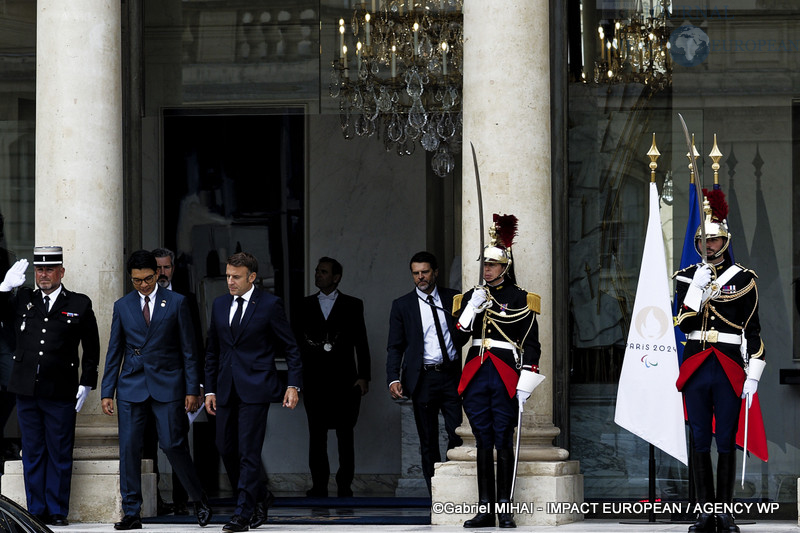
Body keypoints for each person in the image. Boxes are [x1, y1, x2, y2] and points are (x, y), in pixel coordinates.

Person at [100, 250, 212, 530]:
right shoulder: (123, 305)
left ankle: (199, 498)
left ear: (157, 273)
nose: (144, 285)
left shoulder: (176, 302)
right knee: (129, 448)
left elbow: (189, 350)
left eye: (148, 278)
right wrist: (106, 391)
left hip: (168, 384)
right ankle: (131, 511)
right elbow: (114, 351)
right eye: (137, 281)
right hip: (131, 385)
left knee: (173, 444)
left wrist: (192, 388)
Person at [674, 191, 765, 533]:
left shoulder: (743, 280)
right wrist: (695, 290)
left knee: (725, 439)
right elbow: (682, 325)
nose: (707, 246)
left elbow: (753, 331)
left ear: (725, 240)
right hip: (696, 365)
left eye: (713, 240)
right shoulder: (686, 277)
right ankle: (704, 513)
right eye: (703, 241)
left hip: (728, 366)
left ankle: (724, 512)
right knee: (699, 439)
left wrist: (754, 373)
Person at [0, 246, 100, 526]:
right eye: (40, 270)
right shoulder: (22, 299)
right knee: (32, 452)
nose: (43, 275)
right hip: (27, 390)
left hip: (60, 390)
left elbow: (91, 348)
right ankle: (36, 510)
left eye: (49, 269)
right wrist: (3, 289)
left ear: (61, 272)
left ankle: (56, 509)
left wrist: (87, 382)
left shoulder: (78, 303)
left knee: (59, 451)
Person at [204, 252, 302, 533]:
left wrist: (293, 385)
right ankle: (260, 494)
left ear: (252, 277)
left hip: (256, 388)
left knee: (249, 450)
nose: (230, 281)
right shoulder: (220, 304)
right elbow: (213, 350)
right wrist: (209, 389)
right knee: (225, 446)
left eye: (236, 277)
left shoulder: (270, 304)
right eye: (227, 276)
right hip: (224, 388)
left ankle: (243, 512)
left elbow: (291, 347)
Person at [455, 215, 542, 529]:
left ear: (505, 267)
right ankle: (484, 508)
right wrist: (471, 308)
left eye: (492, 265)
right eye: (484, 265)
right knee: (482, 441)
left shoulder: (519, 298)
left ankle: (504, 507)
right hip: (477, 373)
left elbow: (531, 344)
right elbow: (458, 339)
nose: (487, 270)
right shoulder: (470, 297)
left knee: (503, 440)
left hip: (506, 372)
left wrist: (527, 380)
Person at [386, 251, 465, 495]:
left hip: (452, 375)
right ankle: (437, 496)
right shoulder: (402, 305)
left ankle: (456, 486)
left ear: (436, 272)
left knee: (458, 434)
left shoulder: (453, 299)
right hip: (423, 379)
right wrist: (393, 378)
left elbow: (466, 332)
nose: (420, 277)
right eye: (416, 273)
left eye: (425, 272)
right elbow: (395, 346)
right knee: (428, 440)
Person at [299, 257, 371, 498]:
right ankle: (319, 485)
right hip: (314, 381)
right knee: (316, 436)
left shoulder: (352, 304)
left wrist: (364, 376)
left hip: (345, 381)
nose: (318, 275)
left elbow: (362, 342)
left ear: (336, 277)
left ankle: (344, 484)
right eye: (317, 271)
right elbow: (296, 345)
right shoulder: (305, 305)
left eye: (324, 272)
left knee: (345, 435)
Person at [151, 247, 211, 515]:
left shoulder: (185, 298)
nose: (162, 273)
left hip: (177, 384)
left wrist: (196, 385)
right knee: (148, 442)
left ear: (173, 268)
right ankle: (154, 499)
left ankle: (181, 499)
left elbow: (195, 345)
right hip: (148, 384)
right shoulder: (140, 298)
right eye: (158, 268)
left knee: (177, 441)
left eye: (166, 267)